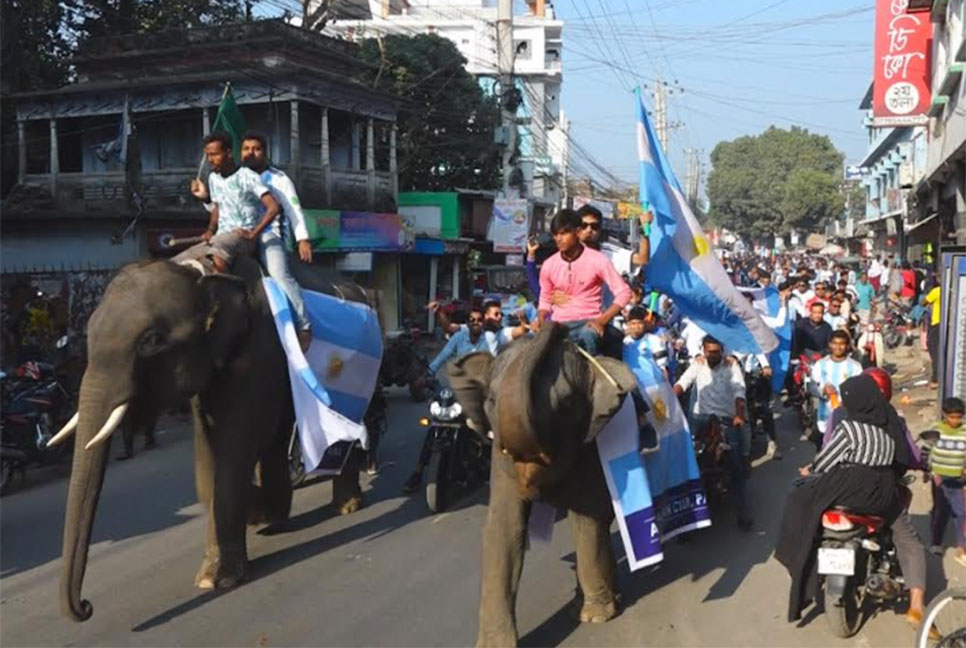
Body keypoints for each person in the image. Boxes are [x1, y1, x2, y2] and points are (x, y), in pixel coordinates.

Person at [775, 375, 902, 622]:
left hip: (850, 488)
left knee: (798, 495)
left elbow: (825, 461)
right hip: (882, 494)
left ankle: (794, 557)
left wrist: (809, 470)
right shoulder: (886, 434)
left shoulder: (850, 428)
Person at [824, 368, 930, 631]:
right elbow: (909, 456)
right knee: (908, 541)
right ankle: (916, 604)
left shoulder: (840, 417)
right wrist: (923, 464)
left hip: (838, 490)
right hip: (881, 492)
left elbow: (826, 451)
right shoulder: (893, 419)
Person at [402, 307, 491, 493]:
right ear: (467, 322)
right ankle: (417, 472)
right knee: (435, 425)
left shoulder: (489, 340)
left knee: (484, 430)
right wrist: (427, 375)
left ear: (483, 322)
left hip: (479, 392)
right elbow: (441, 358)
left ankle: (487, 467)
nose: (475, 322)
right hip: (456, 390)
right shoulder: (459, 338)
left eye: (479, 319)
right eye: (471, 319)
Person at [238, 131, 313, 351]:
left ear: (265, 153)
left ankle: (304, 325)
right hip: (237, 234)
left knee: (280, 275)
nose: (250, 153)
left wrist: (303, 239)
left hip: (269, 235)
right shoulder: (234, 177)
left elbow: (293, 208)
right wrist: (204, 198)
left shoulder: (279, 179)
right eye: (245, 149)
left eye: (256, 149)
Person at [673, 334, 752, 530]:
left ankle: (742, 510)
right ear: (704, 351)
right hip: (701, 420)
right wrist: (667, 399)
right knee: (687, 464)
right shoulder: (698, 364)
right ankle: (684, 518)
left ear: (722, 351)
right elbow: (683, 383)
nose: (714, 355)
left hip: (727, 420)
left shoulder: (731, 366)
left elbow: (739, 392)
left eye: (717, 352)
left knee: (736, 465)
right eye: (710, 352)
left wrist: (739, 415)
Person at [179, 132, 281, 275]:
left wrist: (253, 234)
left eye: (214, 154)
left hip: (242, 238)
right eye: (208, 155)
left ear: (228, 152)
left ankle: (222, 289)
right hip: (220, 236)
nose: (210, 159)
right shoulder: (213, 178)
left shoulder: (248, 176)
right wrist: (210, 230)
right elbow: (217, 208)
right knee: (180, 260)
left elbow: (273, 207)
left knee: (220, 246)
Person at [535, 209, 631, 356]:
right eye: (555, 234)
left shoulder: (598, 260)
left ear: (577, 232)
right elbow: (545, 298)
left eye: (564, 233)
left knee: (588, 337)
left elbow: (624, 293)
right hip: (558, 325)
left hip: (588, 323)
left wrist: (601, 320)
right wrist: (541, 319)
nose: (559, 239)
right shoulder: (549, 264)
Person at [925, 397, 966, 566]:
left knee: (961, 512)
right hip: (939, 478)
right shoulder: (936, 430)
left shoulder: (964, 432)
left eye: (959, 417)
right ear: (944, 415)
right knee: (941, 511)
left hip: (958, 479)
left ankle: (961, 548)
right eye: (952, 417)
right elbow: (926, 450)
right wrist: (927, 471)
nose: (955, 420)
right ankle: (936, 543)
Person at [809, 330, 862, 441]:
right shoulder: (821, 364)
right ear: (830, 344)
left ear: (847, 346)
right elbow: (811, 386)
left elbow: (860, 392)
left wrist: (849, 400)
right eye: (835, 343)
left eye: (842, 344)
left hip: (847, 421)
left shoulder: (855, 367)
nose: (838, 347)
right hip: (824, 420)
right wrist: (822, 390)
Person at [624, 307, 669, 378]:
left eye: (639, 323)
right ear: (628, 324)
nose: (636, 327)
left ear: (645, 324)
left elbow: (663, 368)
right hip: (632, 384)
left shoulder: (654, 340)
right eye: (633, 323)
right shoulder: (624, 342)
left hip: (654, 385)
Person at [924, 281, 941, 389]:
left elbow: (924, 302)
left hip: (936, 324)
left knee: (934, 351)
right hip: (944, 324)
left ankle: (936, 378)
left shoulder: (937, 291)